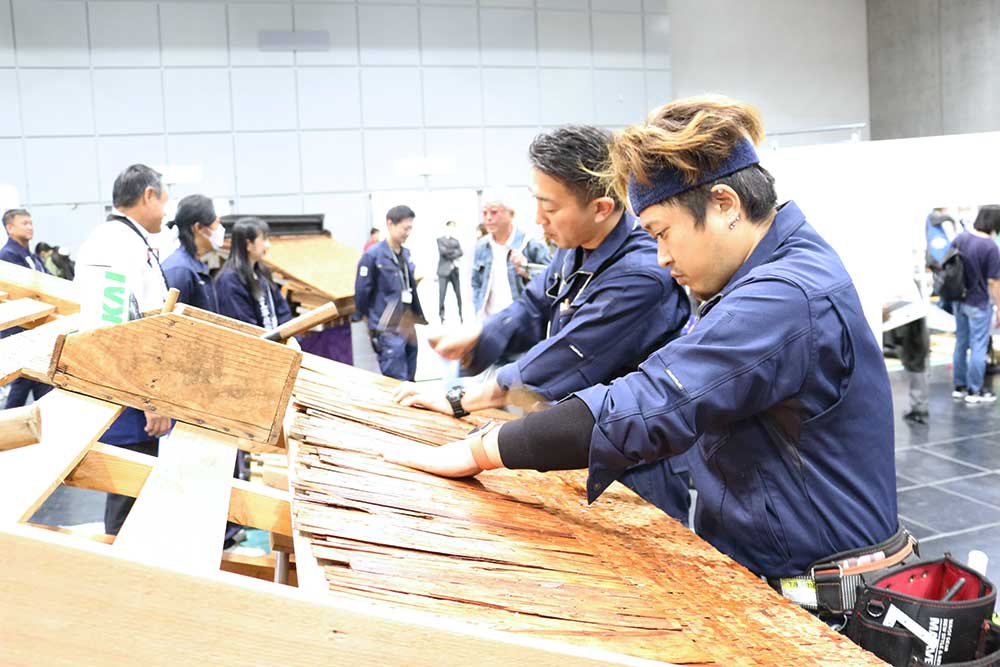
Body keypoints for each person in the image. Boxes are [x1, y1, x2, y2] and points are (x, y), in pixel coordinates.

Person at [389, 97, 908, 603]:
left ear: (725, 204)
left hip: (819, 591)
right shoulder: (764, 266)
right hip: (764, 551)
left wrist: (480, 449)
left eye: (663, 234)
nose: (661, 258)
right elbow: (531, 311)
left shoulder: (783, 296)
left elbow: (649, 401)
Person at [75, 164, 173, 535]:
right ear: (148, 195)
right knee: (128, 501)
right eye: (164, 200)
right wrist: (151, 398)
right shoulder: (114, 244)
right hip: (130, 393)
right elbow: (120, 325)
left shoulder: (126, 239)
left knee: (138, 495)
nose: (165, 211)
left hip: (135, 387)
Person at [352, 205, 427, 382]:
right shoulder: (372, 256)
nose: (408, 232)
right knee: (396, 382)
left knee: (410, 379)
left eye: (411, 228)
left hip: (407, 324)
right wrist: (366, 319)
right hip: (387, 327)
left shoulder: (405, 254)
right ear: (390, 224)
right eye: (405, 228)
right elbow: (362, 291)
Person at [1, 208, 54, 408]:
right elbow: (25, 290)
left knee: (41, 382)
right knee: (22, 380)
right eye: (24, 223)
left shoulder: (32, 256)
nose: (30, 227)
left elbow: (51, 281)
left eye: (31, 223)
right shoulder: (7, 256)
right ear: (10, 228)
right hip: (20, 330)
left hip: (38, 330)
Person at [472, 192, 551, 318]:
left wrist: (526, 270)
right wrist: (478, 310)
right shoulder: (481, 246)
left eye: (494, 212)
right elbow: (476, 283)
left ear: (511, 214)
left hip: (522, 321)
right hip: (489, 321)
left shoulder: (530, 244)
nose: (488, 218)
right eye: (484, 213)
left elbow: (552, 280)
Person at [950, 205, 1000, 404]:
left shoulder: (962, 238)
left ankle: (959, 387)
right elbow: (994, 282)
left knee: (961, 343)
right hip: (979, 303)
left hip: (958, 299)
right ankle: (975, 391)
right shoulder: (990, 247)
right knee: (978, 346)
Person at [215, 217, 292, 330]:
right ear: (248, 244)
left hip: (275, 343)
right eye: (264, 239)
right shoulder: (229, 280)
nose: (268, 245)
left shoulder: (263, 272)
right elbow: (243, 326)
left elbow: (282, 311)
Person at [161, 194, 224, 313]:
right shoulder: (179, 269)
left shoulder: (198, 264)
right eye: (216, 223)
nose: (220, 229)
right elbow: (171, 321)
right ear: (198, 227)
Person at [436, 220, 464, 323]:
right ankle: (441, 316)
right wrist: (454, 252)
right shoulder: (440, 239)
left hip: (454, 270)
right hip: (443, 271)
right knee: (442, 294)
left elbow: (460, 252)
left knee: (458, 294)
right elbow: (443, 252)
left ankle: (461, 314)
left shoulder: (456, 241)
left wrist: (450, 252)